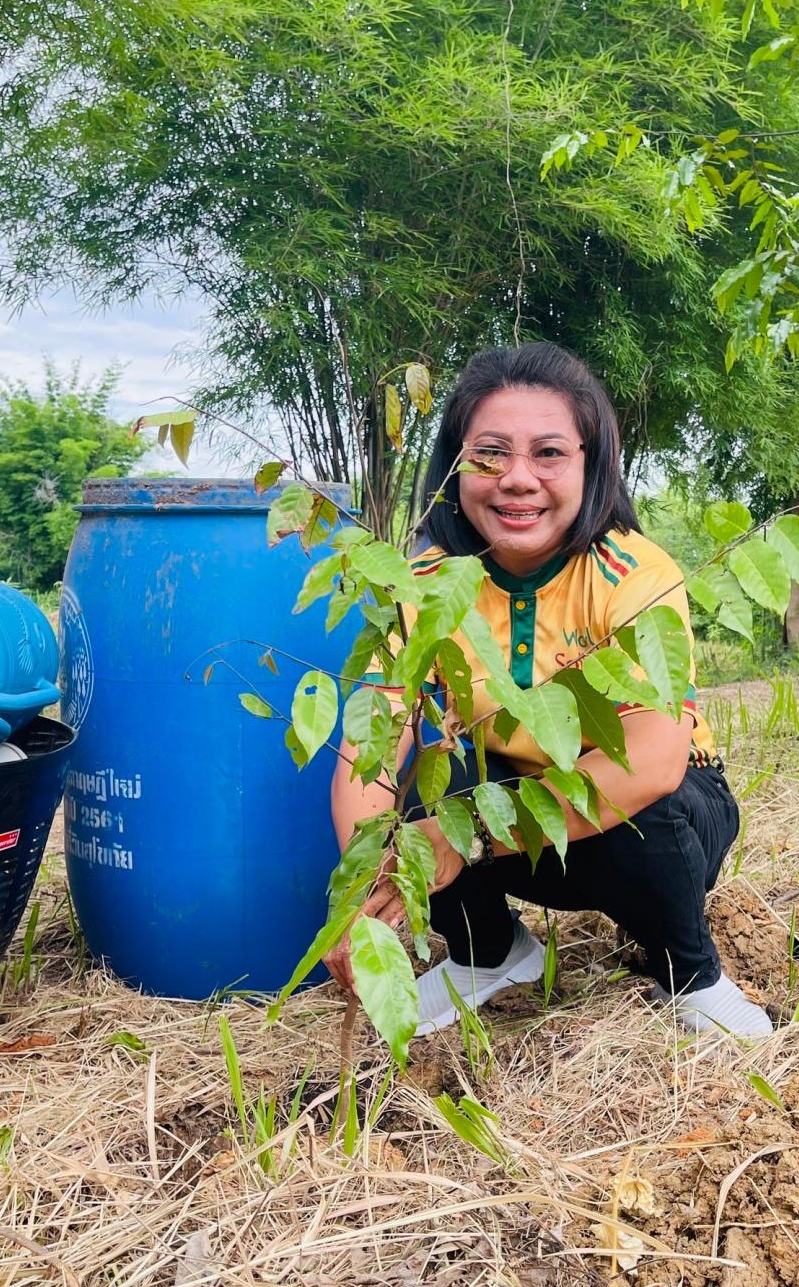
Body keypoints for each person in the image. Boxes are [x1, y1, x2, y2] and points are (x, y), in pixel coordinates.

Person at [324, 342, 770, 1041]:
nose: (517, 479)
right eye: (490, 454)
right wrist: (365, 884)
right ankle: (491, 955)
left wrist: (459, 842)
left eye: (550, 453)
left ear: (592, 467)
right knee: (436, 782)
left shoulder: (635, 573)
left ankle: (691, 974)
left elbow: (653, 761)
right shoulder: (425, 581)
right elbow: (373, 742)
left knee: (639, 804)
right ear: (454, 466)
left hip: (656, 821)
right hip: (511, 816)